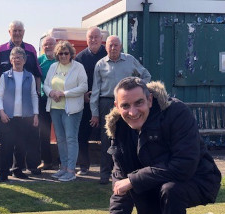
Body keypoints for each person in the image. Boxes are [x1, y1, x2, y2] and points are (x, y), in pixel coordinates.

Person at [97, 77, 221, 214]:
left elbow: (184, 165)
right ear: (117, 106)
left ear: (150, 100)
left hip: (200, 179)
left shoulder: (176, 113)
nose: (132, 112)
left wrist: (134, 180)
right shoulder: (119, 130)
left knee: (171, 190)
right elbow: (120, 186)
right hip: (154, 185)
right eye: (125, 105)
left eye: (139, 103)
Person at [90, 35, 151, 184]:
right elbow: (95, 90)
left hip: (128, 103)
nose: (113, 48)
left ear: (121, 46)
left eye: (116, 45)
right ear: (106, 47)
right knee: (106, 140)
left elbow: (146, 75)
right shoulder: (100, 64)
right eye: (110, 45)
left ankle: (129, 173)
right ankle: (104, 175)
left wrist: (137, 90)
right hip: (107, 102)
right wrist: (95, 113)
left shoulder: (130, 60)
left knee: (128, 136)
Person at [0, 20, 42, 176]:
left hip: (25, 114)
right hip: (8, 114)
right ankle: (3, 172)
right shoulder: (4, 71)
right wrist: (1, 111)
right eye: (14, 30)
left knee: (21, 145)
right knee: (7, 144)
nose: (17, 59)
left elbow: (35, 88)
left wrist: (35, 114)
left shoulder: (29, 70)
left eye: (20, 30)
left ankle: (18, 170)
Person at [43, 41, 88, 182]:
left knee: (71, 138)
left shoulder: (78, 67)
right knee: (60, 139)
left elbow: (83, 87)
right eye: (60, 53)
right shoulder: (53, 67)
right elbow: (45, 84)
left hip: (72, 109)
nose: (63, 56)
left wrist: (64, 93)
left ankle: (70, 170)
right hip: (55, 108)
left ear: (71, 54)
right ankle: (62, 168)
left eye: (66, 53)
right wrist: (51, 93)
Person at [74, 26, 107, 176]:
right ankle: (84, 166)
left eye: (96, 37)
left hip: (105, 101)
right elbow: (74, 81)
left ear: (101, 39)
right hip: (86, 102)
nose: (93, 40)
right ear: (86, 40)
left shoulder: (109, 54)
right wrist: (82, 95)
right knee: (82, 134)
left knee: (107, 134)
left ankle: (108, 166)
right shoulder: (79, 58)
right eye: (90, 37)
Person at [37, 36, 56, 171]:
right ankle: (46, 161)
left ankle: (63, 161)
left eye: (51, 44)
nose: (48, 47)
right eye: (45, 45)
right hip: (44, 99)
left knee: (61, 132)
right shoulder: (38, 61)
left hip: (60, 99)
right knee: (44, 132)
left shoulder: (61, 59)